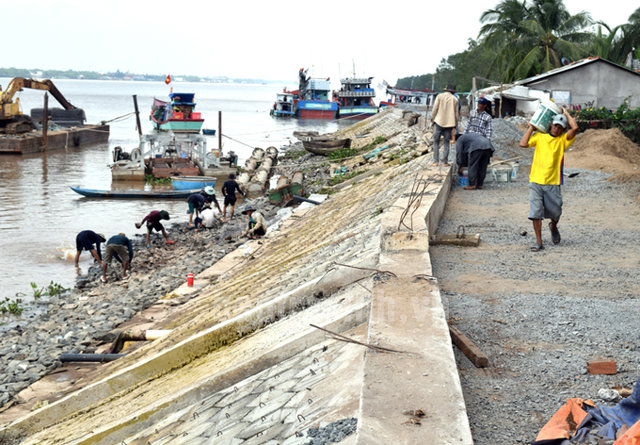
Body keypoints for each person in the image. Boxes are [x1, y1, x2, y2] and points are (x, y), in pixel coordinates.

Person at [519, 107, 578, 252]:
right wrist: (532, 127)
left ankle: (553, 226)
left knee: (556, 212)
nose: (557, 129)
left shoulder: (563, 141)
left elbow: (575, 128)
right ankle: (539, 242)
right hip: (536, 181)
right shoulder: (540, 137)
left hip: (553, 182)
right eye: (555, 125)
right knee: (535, 212)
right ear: (551, 124)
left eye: (560, 127)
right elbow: (523, 144)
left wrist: (566, 114)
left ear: (563, 130)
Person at [430, 84, 460, 166]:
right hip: (449, 124)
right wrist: (455, 125)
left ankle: (435, 161)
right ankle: (444, 162)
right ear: (453, 91)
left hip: (438, 122)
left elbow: (434, 109)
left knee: (436, 142)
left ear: (446, 90)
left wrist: (432, 119)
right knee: (446, 142)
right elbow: (456, 114)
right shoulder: (455, 99)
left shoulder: (440, 96)